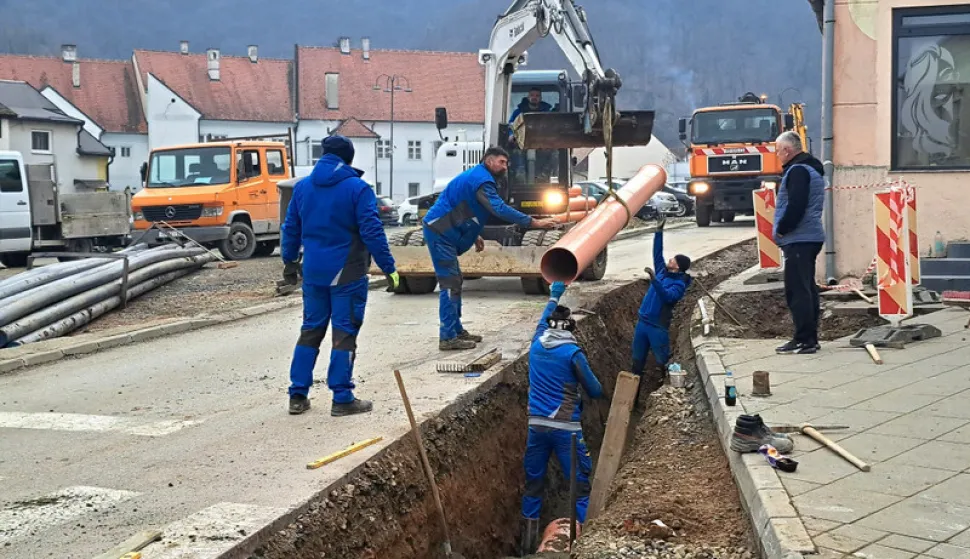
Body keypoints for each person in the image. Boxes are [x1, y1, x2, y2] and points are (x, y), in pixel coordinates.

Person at [281, 135, 400, 417]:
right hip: (346, 272)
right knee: (344, 333)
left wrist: (288, 261)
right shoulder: (357, 188)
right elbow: (372, 231)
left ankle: (298, 395)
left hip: (313, 271)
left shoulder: (303, 188)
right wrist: (389, 268)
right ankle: (342, 397)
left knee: (310, 330)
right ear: (348, 158)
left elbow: (290, 227)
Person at [423, 146, 557, 351]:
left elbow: (461, 207)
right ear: (489, 161)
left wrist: (473, 233)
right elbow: (499, 208)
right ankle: (448, 337)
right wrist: (533, 222)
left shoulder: (477, 176)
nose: (506, 166)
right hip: (441, 231)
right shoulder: (483, 181)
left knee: (455, 281)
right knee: (450, 283)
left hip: (444, 228)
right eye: (501, 162)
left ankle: (456, 330)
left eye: (507, 163)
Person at [520, 281, 603, 555]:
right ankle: (583, 544)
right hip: (566, 431)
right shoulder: (572, 354)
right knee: (579, 485)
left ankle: (528, 546)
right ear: (570, 329)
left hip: (536, 427)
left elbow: (544, 318)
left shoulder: (536, 343)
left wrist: (555, 294)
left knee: (533, 484)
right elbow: (595, 389)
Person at [772, 130, 825, 355]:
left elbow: (796, 204)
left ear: (787, 150)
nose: (776, 155)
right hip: (808, 237)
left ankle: (805, 339)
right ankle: (807, 337)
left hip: (800, 238)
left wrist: (783, 228)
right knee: (807, 288)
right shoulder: (809, 168)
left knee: (798, 291)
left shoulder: (798, 171)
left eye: (777, 150)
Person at [632, 219, 692, 377]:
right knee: (636, 363)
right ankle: (633, 392)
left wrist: (654, 281)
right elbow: (657, 253)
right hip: (642, 323)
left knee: (661, 362)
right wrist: (658, 232)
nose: (669, 260)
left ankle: (661, 386)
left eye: (673, 259)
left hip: (657, 328)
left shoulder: (679, 284)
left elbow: (668, 297)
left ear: (678, 266)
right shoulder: (662, 271)